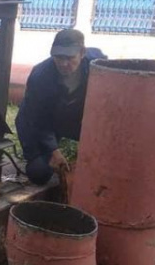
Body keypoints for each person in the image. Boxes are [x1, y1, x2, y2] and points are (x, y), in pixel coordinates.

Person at [15, 29, 106, 185]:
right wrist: (54, 151)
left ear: (82, 53)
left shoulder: (97, 64)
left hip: (71, 115)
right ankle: (44, 153)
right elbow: (37, 120)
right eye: (59, 57)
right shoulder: (40, 76)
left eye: (70, 58)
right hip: (38, 121)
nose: (64, 64)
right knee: (39, 173)